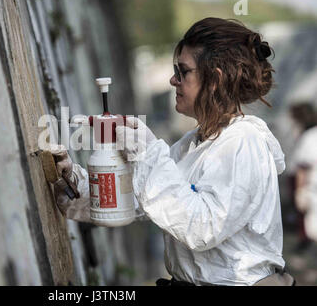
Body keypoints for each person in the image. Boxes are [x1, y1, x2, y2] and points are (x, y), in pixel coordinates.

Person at [49, 17, 294, 286]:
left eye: (183, 71)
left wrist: (148, 154)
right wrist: (74, 181)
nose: (172, 80)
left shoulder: (244, 143)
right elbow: (140, 200)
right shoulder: (193, 144)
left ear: (215, 79)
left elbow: (201, 227)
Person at [289, 103, 317, 250]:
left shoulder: (310, 136)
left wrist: (299, 190)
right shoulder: (309, 135)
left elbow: (302, 167)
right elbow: (302, 166)